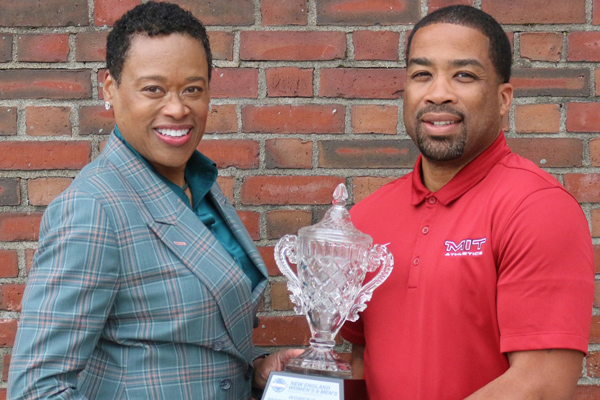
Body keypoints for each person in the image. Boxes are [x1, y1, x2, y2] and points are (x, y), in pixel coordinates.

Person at [8, 2, 300, 399]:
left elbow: (186, 346)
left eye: (193, 89)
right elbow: (38, 390)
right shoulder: (94, 209)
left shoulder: (198, 185)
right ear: (110, 89)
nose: (178, 108)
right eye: (153, 89)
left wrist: (257, 370)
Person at [340, 5, 594, 400]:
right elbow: (363, 357)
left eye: (464, 75)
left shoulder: (538, 208)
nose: (438, 93)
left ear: (504, 98)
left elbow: (542, 384)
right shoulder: (364, 218)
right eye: (421, 74)